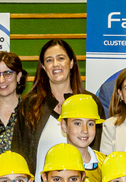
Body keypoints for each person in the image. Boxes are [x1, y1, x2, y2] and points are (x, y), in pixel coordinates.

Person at [17, 39, 85, 171]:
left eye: (60, 58)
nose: (55, 64)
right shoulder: (30, 104)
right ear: (43, 66)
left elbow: (97, 154)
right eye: (49, 60)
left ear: (71, 63)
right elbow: (20, 152)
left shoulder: (89, 102)